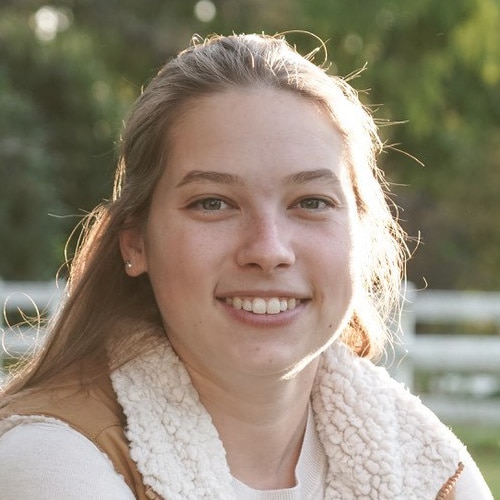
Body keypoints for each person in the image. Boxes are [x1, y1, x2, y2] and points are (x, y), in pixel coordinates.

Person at [0, 33, 493, 500]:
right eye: (214, 203)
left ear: (360, 236)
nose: (268, 249)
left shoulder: (432, 473)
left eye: (311, 202)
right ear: (135, 243)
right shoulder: (51, 462)